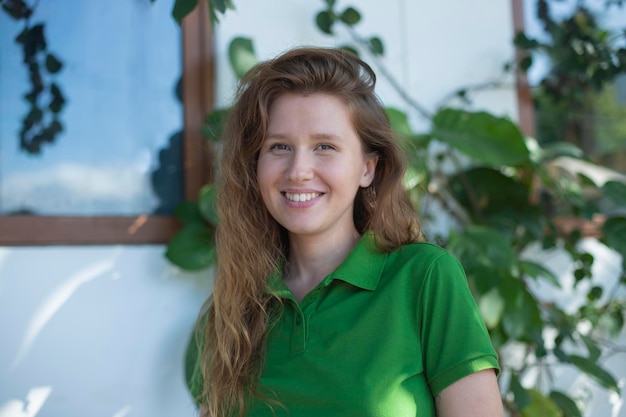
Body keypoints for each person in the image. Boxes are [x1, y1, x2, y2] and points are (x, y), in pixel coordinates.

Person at [188, 47, 503, 417]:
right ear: (255, 166)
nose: (298, 170)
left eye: (325, 146)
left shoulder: (424, 278)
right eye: (279, 147)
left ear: (367, 168)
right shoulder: (234, 306)